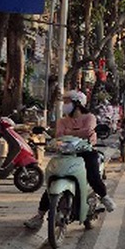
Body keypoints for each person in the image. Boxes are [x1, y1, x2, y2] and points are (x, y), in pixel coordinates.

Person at [24, 90, 115, 230]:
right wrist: (76, 133)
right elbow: (59, 134)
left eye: (67, 102)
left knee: (93, 175)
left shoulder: (89, 117)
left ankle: (104, 197)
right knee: (52, 181)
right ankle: (39, 215)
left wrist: (69, 132)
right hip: (65, 153)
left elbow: (87, 131)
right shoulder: (62, 120)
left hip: (86, 152)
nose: (64, 105)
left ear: (77, 103)